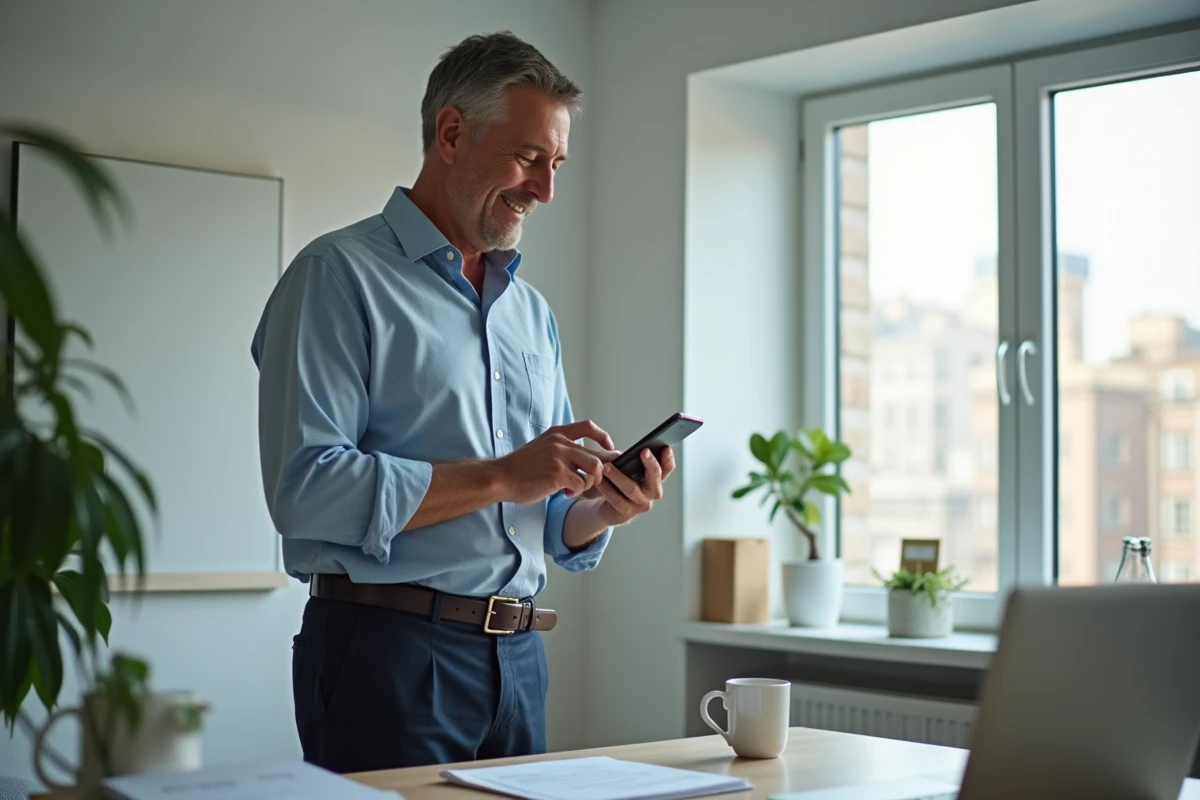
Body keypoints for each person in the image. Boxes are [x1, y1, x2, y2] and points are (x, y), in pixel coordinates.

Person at [250, 31, 674, 773]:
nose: (545, 190)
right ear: (451, 133)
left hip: (520, 661)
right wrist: (506, 474)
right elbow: (306, 491)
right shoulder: (336, 276)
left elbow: (539, 510)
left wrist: (603, 507)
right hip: (388, 655)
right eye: (528, 157)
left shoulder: (530, 313)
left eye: (557, 164)